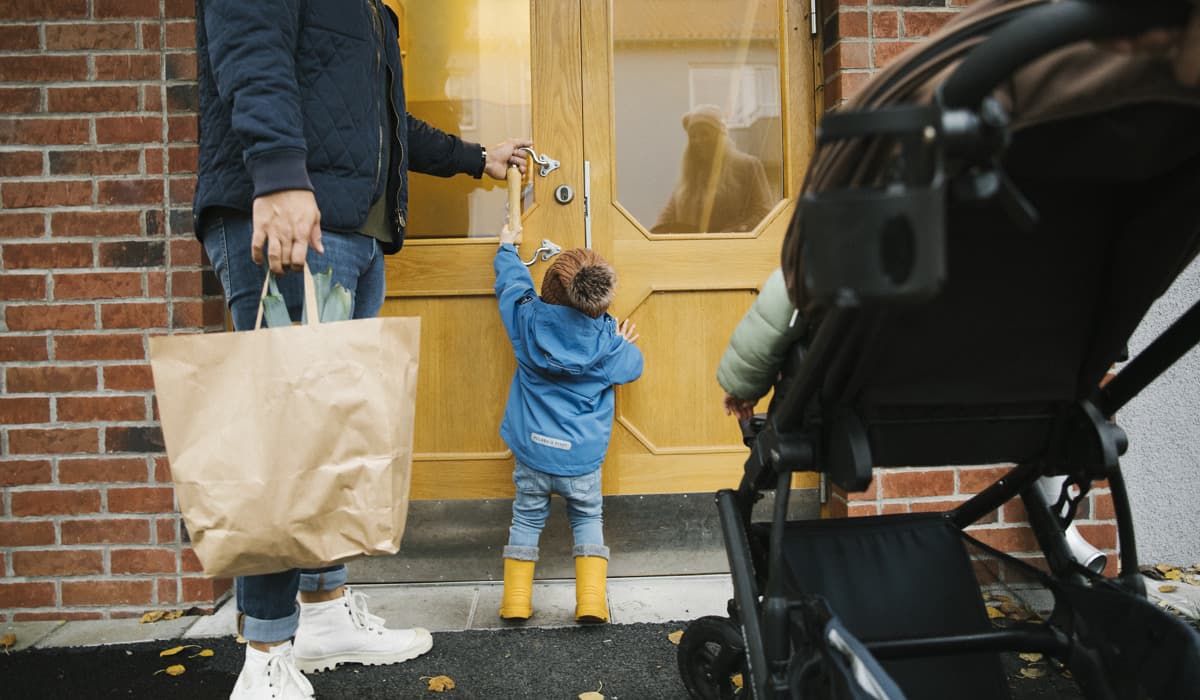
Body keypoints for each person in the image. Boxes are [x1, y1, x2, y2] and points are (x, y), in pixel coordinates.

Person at [193, 2, 531, 698]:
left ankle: (320, 611)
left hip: (350, 230)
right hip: (294, 219)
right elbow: (250, 46)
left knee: (332, 441)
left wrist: (474, 160)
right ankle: (263, 658)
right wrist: (280, 175)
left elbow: (378, 122)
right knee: (285, 446)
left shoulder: (372, 10)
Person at [717, 268, 1107, 572]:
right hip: (1025, 413)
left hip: (866, 423)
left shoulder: (860, 229)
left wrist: (742, 385)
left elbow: (783, 299)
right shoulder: (1043, 247)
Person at [492, 224, 644, 624]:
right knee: (587, 518)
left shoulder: (526, 320)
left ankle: (516, 602)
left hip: (533, 450)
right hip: (581, 459)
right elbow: (633, 367)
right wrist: (624, 344)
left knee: (525, 518)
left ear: (549, 292)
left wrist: (507, 248)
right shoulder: (609, 344)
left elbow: (511, 286)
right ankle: (591, 602)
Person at [651, 104, 774, 234]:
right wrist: (653, 236)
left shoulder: (748, 165)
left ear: (720, 136)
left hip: (732, 249)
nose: (698, 140)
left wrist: (733, 232)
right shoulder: (688, 176)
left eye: (705, 133)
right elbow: (668, 214)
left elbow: (763, 212)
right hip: (694, 250)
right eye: (693, 136)